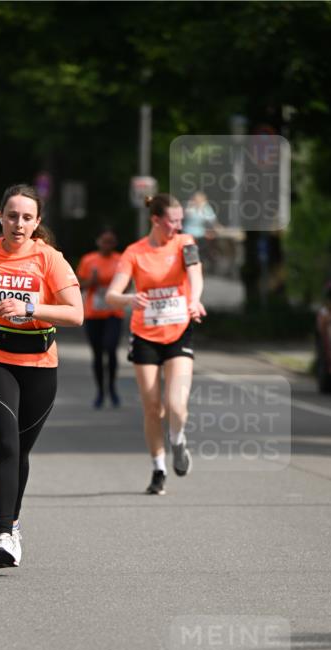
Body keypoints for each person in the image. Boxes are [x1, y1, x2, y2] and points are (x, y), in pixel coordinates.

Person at [0, 183, 83, 567]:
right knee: (5, 445)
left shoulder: (49, 259)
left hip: (39, 364)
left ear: (37, 221)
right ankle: (4, 535)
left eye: (26, 217)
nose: (18, 224)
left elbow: (76, 313)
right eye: (12, 216)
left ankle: (14, 523)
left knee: (20, 450)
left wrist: (31, 308)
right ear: (0, 217)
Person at [105, 193, 206, 496]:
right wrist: (129, 299)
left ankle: (177, 439)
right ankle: (158, 468)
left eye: (180, 221)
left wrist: (194, 300)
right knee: (152, 408)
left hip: (179, 330)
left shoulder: (185, 242)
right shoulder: (134, 253)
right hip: (145, 335)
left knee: (176, 405)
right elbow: (112, 295)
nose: (178, 227)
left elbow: (195, 275)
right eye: (172, 222)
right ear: (156, 220)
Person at [77, 229, 124, 407]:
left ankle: (112, 387)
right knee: (97, 353)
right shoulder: (88, 260)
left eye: (110, 241)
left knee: (110, 348)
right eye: (104, 241)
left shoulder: (120, 260)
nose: (107, 245)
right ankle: (100, 392)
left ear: (115, 243)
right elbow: (78, 285)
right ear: (98, 242)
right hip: (93, 313)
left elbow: (127, 284)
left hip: (113, 313)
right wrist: (92, 281)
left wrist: (118, 287)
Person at [182, 191, 217, 273]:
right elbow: (184, 216)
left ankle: (200, 269)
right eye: (196, 199)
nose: (198, 201)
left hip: (201, 234)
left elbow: (212, 220)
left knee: (202, 252)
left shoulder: (206, 208)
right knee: (189, 254)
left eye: (200, 199)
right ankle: (188, 269)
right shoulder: (189, 206)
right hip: (188, 233)